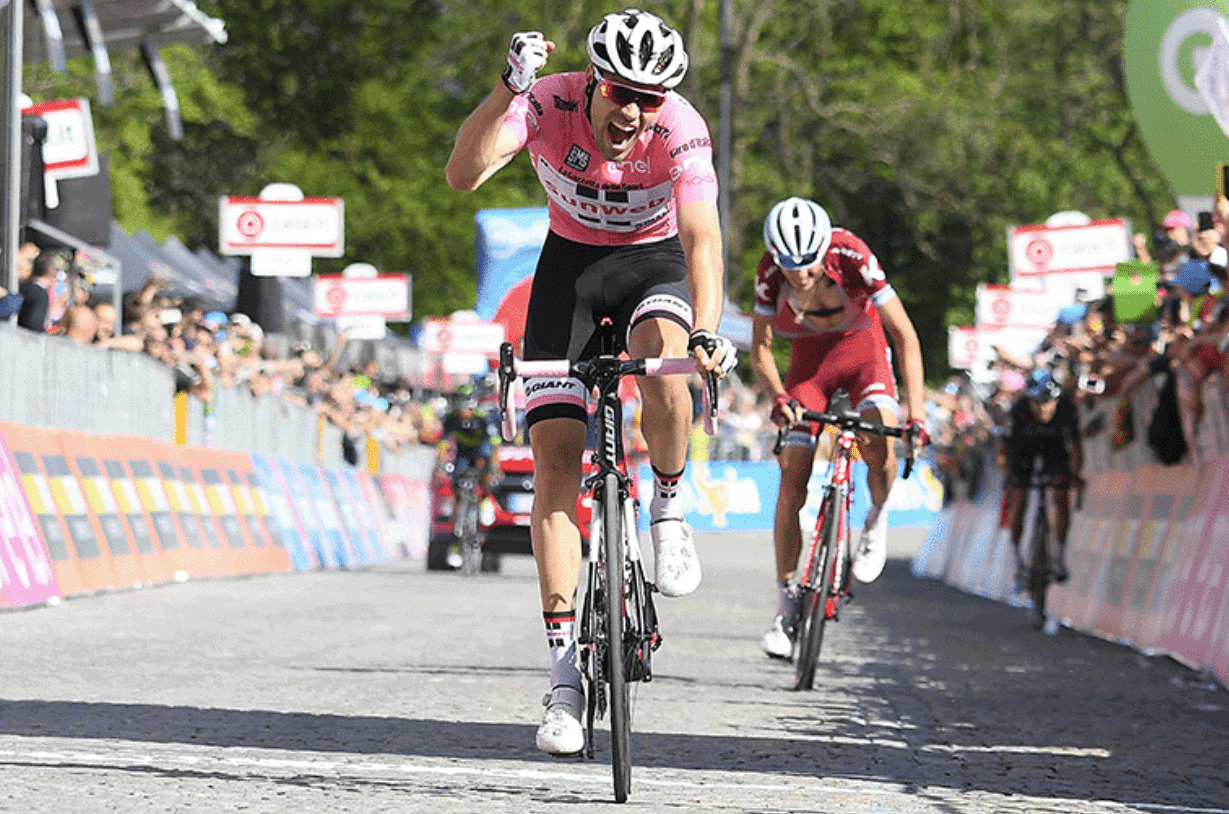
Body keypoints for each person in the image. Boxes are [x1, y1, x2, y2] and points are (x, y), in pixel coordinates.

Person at [445, 8, 736, 756]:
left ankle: (667, 512)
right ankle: (565, 678)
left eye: (649, 97)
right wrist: (506, 91)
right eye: (619, 92)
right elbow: (464, 173)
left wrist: (707, 332)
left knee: (666, 363)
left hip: (653, 264)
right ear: (592, 83)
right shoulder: (546, 102)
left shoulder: (680, 127)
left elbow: (702, 237)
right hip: (567, 273)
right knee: (556, 462)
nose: (633, 111)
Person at [749, 197, 927, 660]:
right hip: (810, 364)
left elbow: (906, 336)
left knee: (881, 442)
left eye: (808, 266)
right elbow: (762, 350)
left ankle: (876, 517)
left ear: (824, 250)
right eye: (790, 267)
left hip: (864, 352)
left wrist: (918, 416)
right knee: (793, 475)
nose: (800, 276)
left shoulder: (852, 254)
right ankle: (785, 606)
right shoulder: (769, 272)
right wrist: (779, 397)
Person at [997, 368, 1083, 587]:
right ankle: (1018, 560)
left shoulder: (1066, 408)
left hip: (1054, 450)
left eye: (1049, 402)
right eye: (1038, 402)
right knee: (1020, 500)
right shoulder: (1018, 411)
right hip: (1022, 451)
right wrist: (1009, 478)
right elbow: (1003, 452)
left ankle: (1059, 556)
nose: (1044, 408)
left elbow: (1075, 448)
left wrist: (1073, 475)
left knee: (1062, 496)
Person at [437, 383, 499, 529]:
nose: (462, 412)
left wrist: (495, 466)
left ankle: (484, 498)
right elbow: (443, 445)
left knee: (483, 462)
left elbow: (495, 444)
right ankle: (457, 528)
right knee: (457, 487)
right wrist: (441, 465)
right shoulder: (450, 419)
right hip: (463, 451)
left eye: (465, 408)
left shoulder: (483, 417)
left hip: (481, 449)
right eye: (459, 408)